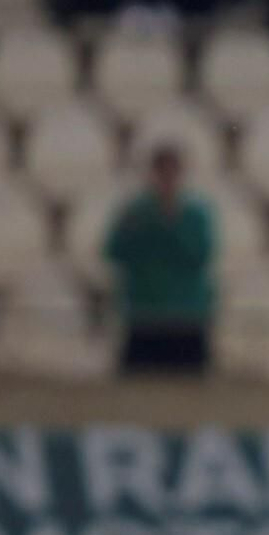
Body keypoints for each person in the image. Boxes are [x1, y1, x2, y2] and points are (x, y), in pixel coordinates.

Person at [104, 144, 217, 376]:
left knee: (189, 385)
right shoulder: (135, 212)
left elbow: (202, 256)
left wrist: (172, 224)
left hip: (186, 316)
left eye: (171, 172)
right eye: (161, 172)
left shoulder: (195, 214)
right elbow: (114, 251)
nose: (166, 179)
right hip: (144, 314)